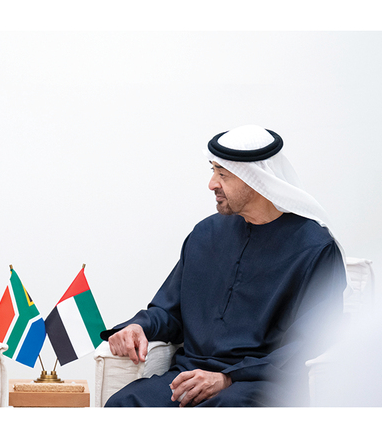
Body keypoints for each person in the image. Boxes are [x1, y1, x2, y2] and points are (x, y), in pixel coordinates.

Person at [102, 124, 347, 407]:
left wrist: (228, 378)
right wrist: (139, 326)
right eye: (213, 171)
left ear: (256, 179)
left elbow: (309, 344)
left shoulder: (315, 249)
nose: (212, 184)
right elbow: (170, 310)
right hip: (189, 376)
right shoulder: (205, 234)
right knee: (123, 404)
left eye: (223, 174)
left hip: (259, 384)